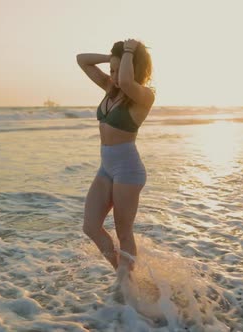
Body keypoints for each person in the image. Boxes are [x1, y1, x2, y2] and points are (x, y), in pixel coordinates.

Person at [76, 39, 155, 273]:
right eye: (111, 70)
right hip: (106, 169)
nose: (112, 76)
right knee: (90, 226)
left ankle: (125, 282)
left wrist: (129, 52)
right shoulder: (110, 89)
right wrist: (110, 58)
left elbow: (127, 82)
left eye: (117, 71)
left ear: (132, 67)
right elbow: (82, 60)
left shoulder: (143, 96)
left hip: (128, 171)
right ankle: (120, 272)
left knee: (123, 231)